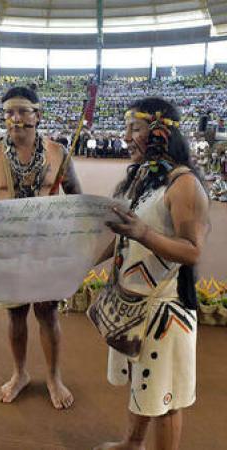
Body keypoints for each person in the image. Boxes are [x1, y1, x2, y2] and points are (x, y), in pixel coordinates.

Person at [93, 97, 209, 450]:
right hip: (136, 305)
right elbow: (124, 238)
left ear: (160, 131)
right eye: (126, 128)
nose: (126, 136)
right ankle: (132, 443)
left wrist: (144, 233)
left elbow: (192, 250)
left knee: (166, 399)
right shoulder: (145, 177)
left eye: (135, 128)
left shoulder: (183, 184)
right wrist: (84, 261)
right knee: (143, 383)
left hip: (165, 309)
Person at [0, 86, 81, 409]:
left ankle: (53, 376)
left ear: (37, 114)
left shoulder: (59, 154)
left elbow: (76, 199)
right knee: (16, 315)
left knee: (48, 313)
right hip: (8, 250)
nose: (14, 118)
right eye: (8, 113)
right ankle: (19, 373)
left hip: (46, 249)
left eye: (22, 111)